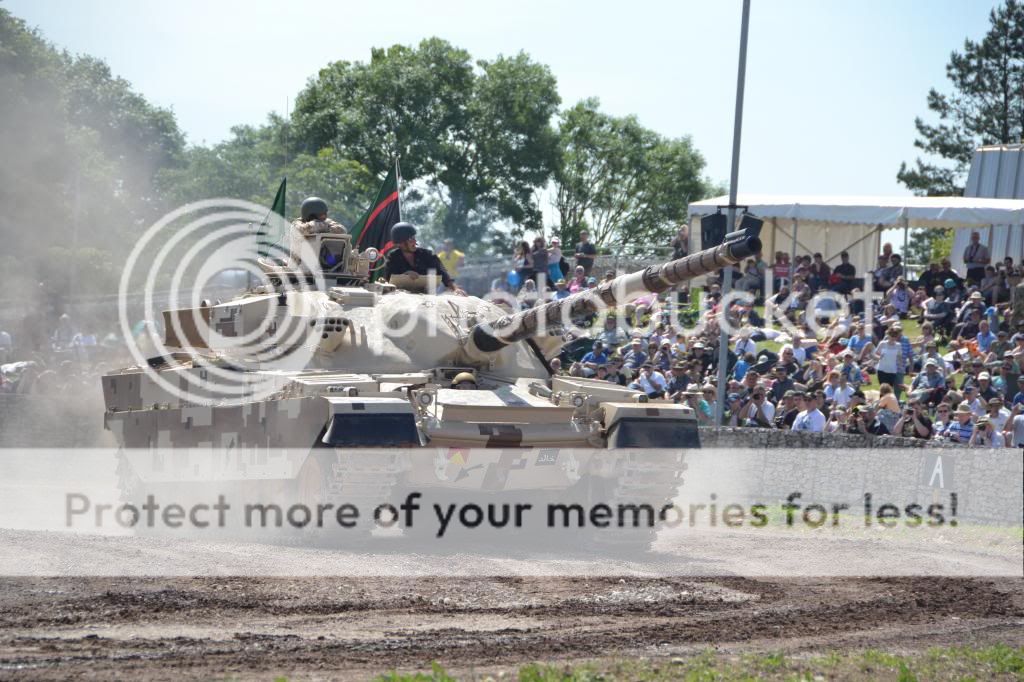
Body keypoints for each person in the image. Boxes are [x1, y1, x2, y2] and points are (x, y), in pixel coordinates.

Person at [384, 222, 465, 295]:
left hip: (425, 295)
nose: (415, 242)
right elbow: (389, 278)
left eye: (414, 238)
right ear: (400, 243)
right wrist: (404, 275)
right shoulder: (393, 257)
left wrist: (455, 288)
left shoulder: (427, 254)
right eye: (410, 239)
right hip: (401, 296)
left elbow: (442, 272)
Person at [290, 196, 347, 268]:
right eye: (322, 214)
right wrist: (320, 226)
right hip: (298, 266)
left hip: (321, 264)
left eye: (325, 213)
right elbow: (303, 230)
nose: (325, 217)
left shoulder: (324, 221)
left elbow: (342, 230)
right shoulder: (296, 223)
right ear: (311, 214)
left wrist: (320, 226)